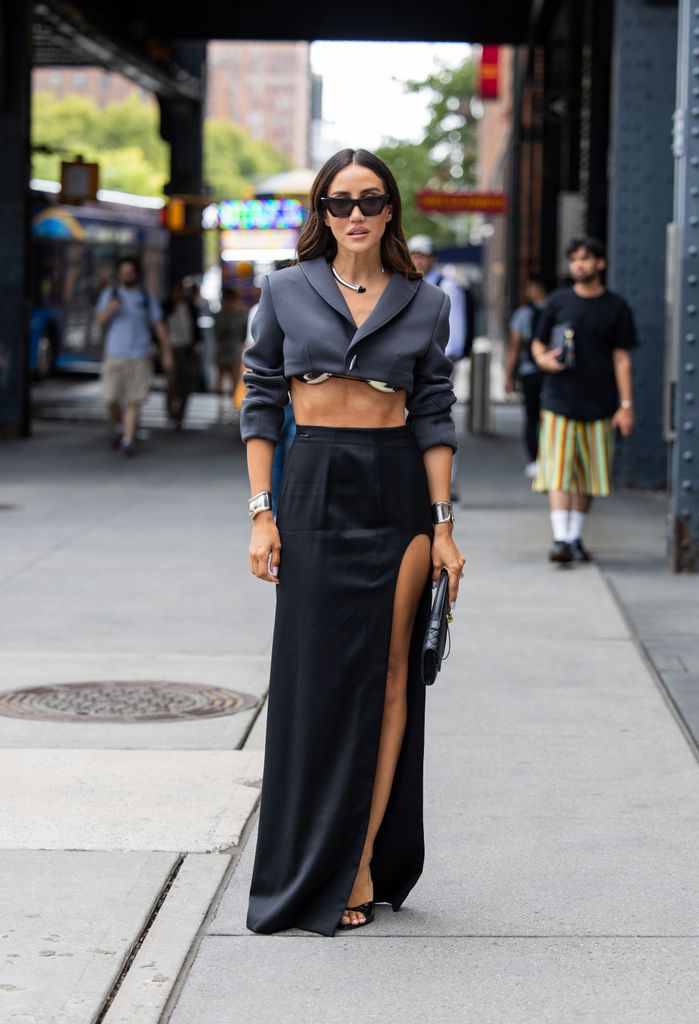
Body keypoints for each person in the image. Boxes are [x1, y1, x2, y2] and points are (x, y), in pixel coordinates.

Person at [240, 148, 466, 936]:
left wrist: (444, 527)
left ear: (390, 208)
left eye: (370, 200)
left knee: (394, 672)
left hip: (396, 491)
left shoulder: (425, 302)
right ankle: (308, 856)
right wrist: (261, 511)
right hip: (311, 487)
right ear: (321, 212)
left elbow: (434, 414)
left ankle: (362, 858)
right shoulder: (282, 290)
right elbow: (261, 397)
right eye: (340, 203)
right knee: (315, 679)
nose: (356, 215)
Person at [531, 237, 637, 563]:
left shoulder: (616, 307)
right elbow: (537, 344)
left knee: (589, 475)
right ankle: (561, 539)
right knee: (558, 471)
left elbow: (622, 359)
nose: (578, 264)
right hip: (559, 401)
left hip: (601, 404)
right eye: (574, 259)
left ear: (600, 264)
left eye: (585, 259)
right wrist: (544, 360)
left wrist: (626, 406)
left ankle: (575, 537)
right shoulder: (558, 302)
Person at [407, 235, 471, 501]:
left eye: (424, 254)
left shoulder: (448, 287)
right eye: (414, 254)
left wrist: (441, 361)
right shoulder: (403, 285)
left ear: (433, 258)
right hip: (407, 365)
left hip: (435, 364)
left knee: (438, 420)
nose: (418, 260)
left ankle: (446, 484)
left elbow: (455, 335)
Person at [95, 257, 172, 456]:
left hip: (139, 355)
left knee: (133, 400)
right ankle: (121, 426)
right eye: (124, 272)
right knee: (110, 399)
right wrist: (111, 308)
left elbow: (158, 324)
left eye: (130, 271)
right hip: (114, 354)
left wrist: (166, 351)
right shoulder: (110, 295)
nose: (127, 275)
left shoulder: (146, 297)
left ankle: (128, 440)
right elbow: (99, 322)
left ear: (136, 274)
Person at [505, 275, 549, 478]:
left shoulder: (523, 314)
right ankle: (549, 458)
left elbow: (515, 347)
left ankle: (534, 461)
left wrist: (509, 375)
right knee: (550, 418)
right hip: (552, 373)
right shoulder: (556, 310)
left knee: (531, 418)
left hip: (530, 372)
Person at [162, 278, 202, 429]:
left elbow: (196, 328)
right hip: (171, 348)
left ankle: (180, 415)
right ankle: (170, 410)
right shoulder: (166, 307)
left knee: (186, 382)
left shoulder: (190, 307)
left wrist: (198, 345)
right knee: (172, 382)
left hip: (187, 348)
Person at [212, 287, 248, 420]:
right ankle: (222, 407)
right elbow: (217, 333)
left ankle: (233, 406)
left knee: (233, 379)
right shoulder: (221, 314)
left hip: (233, 350)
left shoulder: (239, 314)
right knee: (221, 378)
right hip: (226, 349)